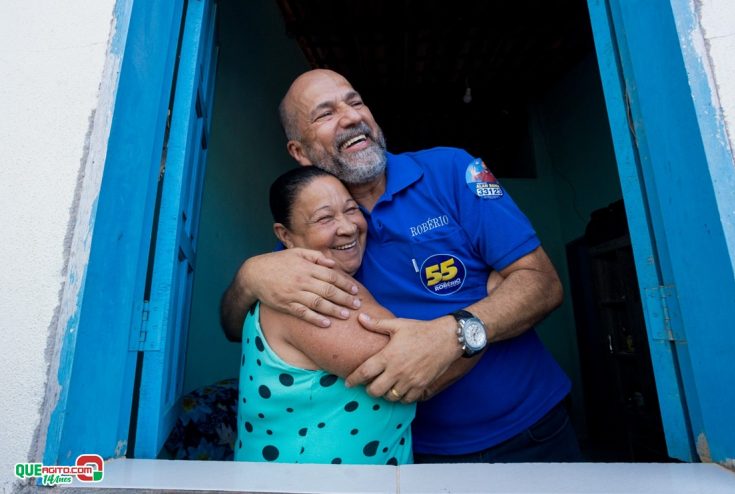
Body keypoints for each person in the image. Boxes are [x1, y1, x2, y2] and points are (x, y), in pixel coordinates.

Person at [222, 69, 582, 463]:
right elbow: (239, 327)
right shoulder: (315, 230)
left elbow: (543, 284)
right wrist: (249, 277)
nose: (350, 117)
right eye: (325, 114)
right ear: (300, 152)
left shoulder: (450, 170)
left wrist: (454, 332)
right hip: (416, 453)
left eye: (355, 101)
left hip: (531, 429)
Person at [235, 166, 414, 465]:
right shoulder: (302, 298)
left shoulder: (335, 283)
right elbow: (415, 367)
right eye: (325, 218)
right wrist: (480, 320)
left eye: (351, 209)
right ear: (286, 235)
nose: (347, 227)